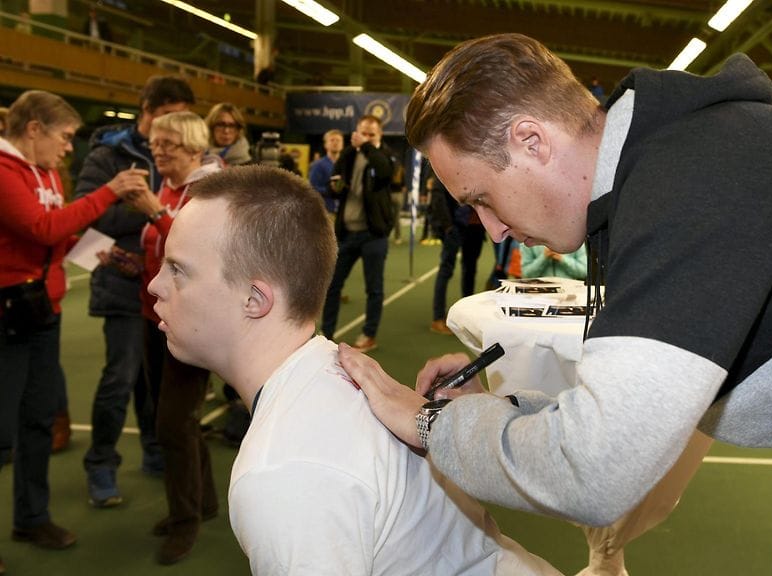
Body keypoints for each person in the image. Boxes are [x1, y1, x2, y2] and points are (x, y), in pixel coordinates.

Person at [340, 33, 772, 576]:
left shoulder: (699, 177)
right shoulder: (666, 170)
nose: (489, 228)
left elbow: (596, 466)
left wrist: (428, 423)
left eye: (480, 198)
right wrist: (487, 412)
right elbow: (627, 399)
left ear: (530, 140)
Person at [146, 165, 559, 575]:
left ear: (255, 299)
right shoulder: (338, 371)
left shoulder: (282, 473)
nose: (155, 286)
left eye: (178, 270)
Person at [0, 90, 148, 565]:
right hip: (7, 314)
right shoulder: (3, 172)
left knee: (39, 420)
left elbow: (54, 236)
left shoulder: (45, 172)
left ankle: (31, 517)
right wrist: (110, 191)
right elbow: (41, 229)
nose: (70, 148)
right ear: (34, 129)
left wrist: (89, 250)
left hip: (43, 310)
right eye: (65, 137)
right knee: (2, 433)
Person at [74, 74, 194, 507]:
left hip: (168, 290)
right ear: (145, 113)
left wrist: (156, 212)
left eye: (181, 119)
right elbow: (90, 214)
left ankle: (153, 450)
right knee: (120, 377)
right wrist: (150, 214)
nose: (170, 131)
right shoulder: (109, 154)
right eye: (165, 117)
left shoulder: (188, 156)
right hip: (122, 283)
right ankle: (101, 465)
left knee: (154, 383)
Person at [130, 110, 222, 565]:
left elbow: (199, 254)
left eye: (167, 144)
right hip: (155, 315)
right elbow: (161, 254)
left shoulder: (208, 188)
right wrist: (131, 263)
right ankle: (203, 503)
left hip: (190, 323)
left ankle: (184, 521)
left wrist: (156, 214)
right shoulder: (169, 188)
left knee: (170, 424)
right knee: (176, 421)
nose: (157, 150)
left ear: (192, 148)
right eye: (155, 144)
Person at [321, 114, 398, 351]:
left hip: (373, 234)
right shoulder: (348, 155)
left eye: (371, 134)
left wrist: (364, 146)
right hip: (347, 232)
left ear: (379, 135)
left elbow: (385, 172)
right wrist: (335, 187)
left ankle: (369, 333)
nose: (365, 138)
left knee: (373, 288)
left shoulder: (385, 155)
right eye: (362, 133)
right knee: (332, 285)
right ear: (356, 131)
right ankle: (326, 334)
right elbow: (334, 186)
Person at [430, 176, 486, 335]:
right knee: (446, 270)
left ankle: (467, 317)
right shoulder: (444, 166)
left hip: (476, 227)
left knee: (470, 270)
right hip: (455, 226)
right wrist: (447, 226)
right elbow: (438, 197)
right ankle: (437, 317)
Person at [205, 102, 251, 166]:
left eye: (232, 125)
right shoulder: (199, 155)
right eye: (221, 124)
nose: (226, 131)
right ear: (211, 127)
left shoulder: (247, 164)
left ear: (238, 130)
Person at [309, 129, 344, 212]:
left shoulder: (347, 164)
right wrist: (331, 191)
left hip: (344, 212)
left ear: (342, 144)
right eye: (332, 140)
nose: (335, 143)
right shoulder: (318, 165)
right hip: (326, 210)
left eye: (338, 140)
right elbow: (312, 188)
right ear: (325, 145)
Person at [519, 244, 587, 280]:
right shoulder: (528, 241)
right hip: (538, 294)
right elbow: (526, 274)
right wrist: (543, 258)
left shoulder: (575, 239)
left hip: (569, 294)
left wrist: (562, 259)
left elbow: (584, 271)